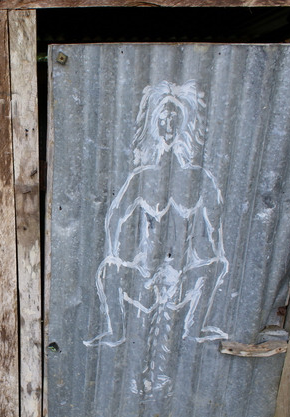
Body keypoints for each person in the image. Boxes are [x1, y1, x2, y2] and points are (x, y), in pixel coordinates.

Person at [84, 81, 228, 397]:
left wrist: (205, 257)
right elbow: (114, 218)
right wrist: (119, 256)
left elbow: (214, 227)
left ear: (185, 124)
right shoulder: (141, 177)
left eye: (174, 118)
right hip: (145, 273)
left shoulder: (199, 178)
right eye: (162, 118)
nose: (168, 125)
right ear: (153, 123)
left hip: (182, 273)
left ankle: (195, 328)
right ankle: (116, 331)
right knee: (107, 270)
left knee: (216, 267)